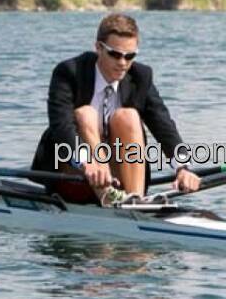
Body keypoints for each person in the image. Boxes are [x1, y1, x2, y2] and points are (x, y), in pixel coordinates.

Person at [30, 13, 201, 205]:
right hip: (74, 175)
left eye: (130, 56)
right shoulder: (69, 72)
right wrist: (87, 162)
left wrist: (184, 168)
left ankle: (136, 202)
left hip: (120, 178)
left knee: (127, 116)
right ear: (98, 48)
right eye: (115, 54)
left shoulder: (140, 77)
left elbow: (164, 125)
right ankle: (109, 198)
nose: (122, 63)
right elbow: (61, 127)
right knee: (85, 114)